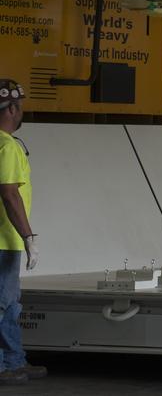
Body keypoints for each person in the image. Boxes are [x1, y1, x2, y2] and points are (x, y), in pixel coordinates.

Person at [0, 80, 43, 384]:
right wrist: (29, 237)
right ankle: (4, 366)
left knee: (11, 305)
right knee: (3, 305)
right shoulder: (6, 146)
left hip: (6, 241)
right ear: (12, 108)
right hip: (4, 240)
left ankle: (14, 361)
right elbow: (10, 193)